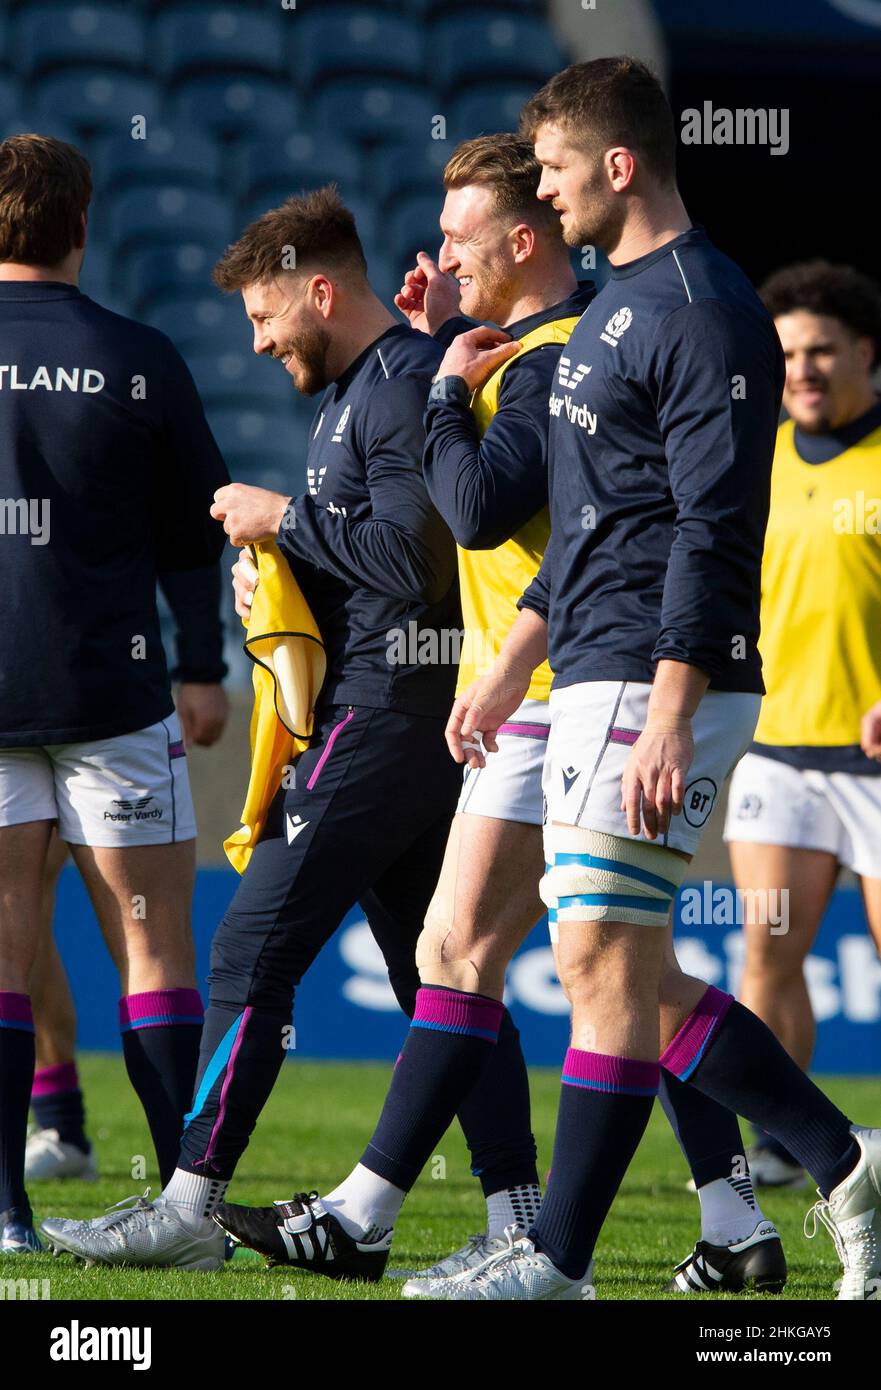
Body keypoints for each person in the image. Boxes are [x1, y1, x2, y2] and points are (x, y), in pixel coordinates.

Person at [217, 133, 787, 1299]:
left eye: (463, 241)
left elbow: (470, 513)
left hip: (565, 691)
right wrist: (443, 356)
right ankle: (727, 1217)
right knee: (587, 963)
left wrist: (435, 381)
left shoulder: (549, 358)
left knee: (524, 959)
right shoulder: (517, 350)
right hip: (528, 686)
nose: (438, 258)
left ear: (524, 239)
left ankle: (416, 1222)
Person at [40, 185, 534, 1273]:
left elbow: (413, 562)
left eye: (266, 318)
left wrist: (282, 521)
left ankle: (186, 1208)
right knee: (436, 974)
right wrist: (283, 565)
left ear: (320, 289)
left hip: (390, 711)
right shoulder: (371, 381)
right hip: (381, 715)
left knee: (248, 943)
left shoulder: (398, 384)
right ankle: (515, 1216)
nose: (258, 342)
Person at [0, 133, 229, 1253]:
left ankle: (6, 1215)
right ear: (83, 224)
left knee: (1, 950)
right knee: (151, 948)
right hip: (116, 694)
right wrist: (201, 664)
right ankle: (188, 1207)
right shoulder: (140, 355)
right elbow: (201, 532)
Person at [724, 261, 881, 1187]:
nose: (804, 368)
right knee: (768, 955)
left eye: (821, 350)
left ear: (864, 352)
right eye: (786, 354)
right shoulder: (758, 458)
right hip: (777, 757)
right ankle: (781, 1146)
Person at [27, 646, 229, 1184]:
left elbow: (188, 561)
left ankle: (183, 1188)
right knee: (17, 916)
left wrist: (201, 667)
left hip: (108, 700)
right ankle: (60, 1122)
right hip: (18, 709)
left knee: (147, 937)